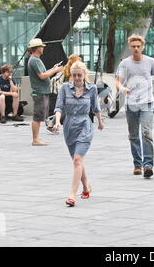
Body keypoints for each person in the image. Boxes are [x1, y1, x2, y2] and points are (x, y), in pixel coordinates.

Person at [53, 61, 104, 207]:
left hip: (85, 126)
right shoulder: (64, 88)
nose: (76, 78)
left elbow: (96, 107)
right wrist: (57, 122)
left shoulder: (92, 88)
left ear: (84, 74)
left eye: (79, 75)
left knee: (77, 160)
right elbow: (59, 106)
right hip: (69, 127)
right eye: (74, 75)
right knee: (78, 161)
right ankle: (86, 186)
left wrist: (100, 122)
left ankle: (72, 195)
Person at [115, 34, 154, 178]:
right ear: (130, 47)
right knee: (133, 136)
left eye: (138, 46)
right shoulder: (125, 63)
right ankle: (137, 163)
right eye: (133, 46)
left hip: (147, 103)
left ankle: (148, 165)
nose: (136, 49)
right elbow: (118, 81)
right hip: (131, 104)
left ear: (142, 46)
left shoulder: (150, 62)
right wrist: (122, 88)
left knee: (147, 134)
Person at [27, 38, 63, 146]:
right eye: (41, 46)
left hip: (42, 91)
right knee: (37, 116)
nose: (43, 48)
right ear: (37, 48)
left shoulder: (36, 59)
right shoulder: (34, 60)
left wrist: (52, 68)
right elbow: (42, 76)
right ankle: (35, 139)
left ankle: (37, 138)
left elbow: (44, 73)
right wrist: (55, 70)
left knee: (39, 116)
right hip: (39, 92)